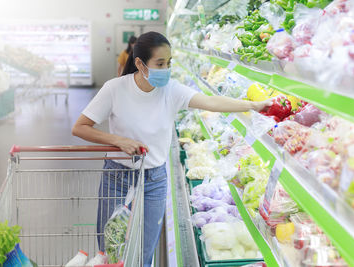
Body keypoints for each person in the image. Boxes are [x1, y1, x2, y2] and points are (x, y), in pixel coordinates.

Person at [72, 31, 270, 267]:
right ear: (139, 63)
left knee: (145, 252)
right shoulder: (115, 89)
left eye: (169, 63)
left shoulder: (172, 90)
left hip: (154, 179)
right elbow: (81, 127)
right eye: (160, 63)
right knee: (109, 249)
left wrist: (252, 105)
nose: (166, 69)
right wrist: (118, 140)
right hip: (117, 176)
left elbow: (210, 102)